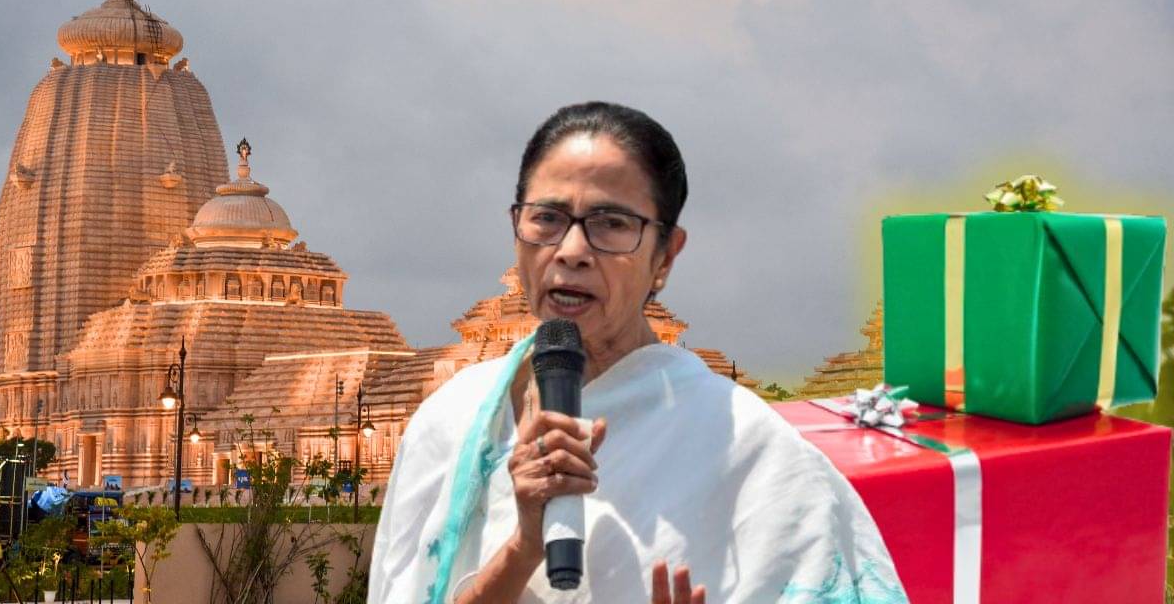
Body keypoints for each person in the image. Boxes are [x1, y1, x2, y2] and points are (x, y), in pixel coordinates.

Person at [369, 102, 907, 603]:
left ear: (666, 256)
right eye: (547, 218)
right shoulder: (452, 418)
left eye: (612, 224)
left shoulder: (749, 451)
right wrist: (523, 546)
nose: (572, 251)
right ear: (516, 230)